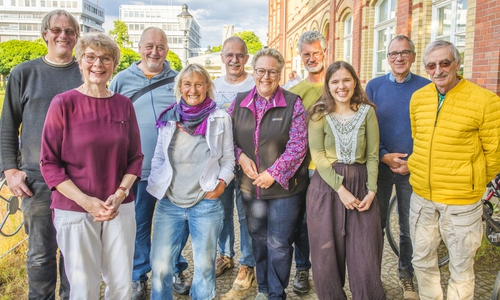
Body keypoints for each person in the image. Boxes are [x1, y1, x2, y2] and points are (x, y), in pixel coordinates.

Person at [39, 33, 143, 299]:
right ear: (80, 61)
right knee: (83, 287)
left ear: (114, 65)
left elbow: (135, 158)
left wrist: (120, 194)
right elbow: (49, 163)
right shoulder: (63, 103)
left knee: (121, 284)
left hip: (119, 206)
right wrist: (86, 201)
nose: (98, 64)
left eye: (106, 58)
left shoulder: (124, 105)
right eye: (91, 57)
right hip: (75, 208)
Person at [408, 40, 500, 300]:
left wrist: (471, 181)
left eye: (444, 63)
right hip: (423, 197)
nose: (438, 70)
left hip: (461, 202)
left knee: (461, 268)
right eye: (431, 65)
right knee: (422, 261)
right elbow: (419, 140)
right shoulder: (418, 99)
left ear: (457, 64)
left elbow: (495, 154)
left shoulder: (486, 101)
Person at [0, 9, 82, 299]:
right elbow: (8, 125)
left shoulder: (86, 71)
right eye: (56, 30)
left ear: (77, 36)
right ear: (45, 34)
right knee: (40, 254)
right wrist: (9, 169)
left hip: (79, 178)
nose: (63, 35)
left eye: (69, 31)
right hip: (36, 178)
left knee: (74, 254)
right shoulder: (25, 73)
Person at [109, 27, 190, 299]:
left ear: (167, 50)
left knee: (177, 223)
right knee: (139, 225)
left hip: (174, 170)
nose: (154, 51)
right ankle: (137, 276)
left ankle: (176, 267)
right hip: (137, 171)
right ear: (139, 47)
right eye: (149, 46)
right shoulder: (121, 80)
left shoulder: (178, 80)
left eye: (160, 46)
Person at [147, 63, 234, 300]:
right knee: (161, 265)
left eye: (198, 84)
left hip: (205, 204)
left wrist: (222, 184)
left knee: (205, 268)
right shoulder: (169, 118)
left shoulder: (220, 118)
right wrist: (159, 184)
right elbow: (157, 156)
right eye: (187, 84)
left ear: (207, 86)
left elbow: (228, 159)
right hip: (170, 204)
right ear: (180, 87)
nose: (193, 89)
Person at [229, 48, 309, 299]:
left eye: (272, 71)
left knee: (280, 244)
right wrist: (240, 157)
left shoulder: (293, 102)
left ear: (279, 73)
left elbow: (298, 145)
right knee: (258, 240)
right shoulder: (239, 102)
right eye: (261, 70)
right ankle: (263, 288)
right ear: (253, 71)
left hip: (285, 189)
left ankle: (276, 293)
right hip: (250, 187)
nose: (266, 76)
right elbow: (225, 140)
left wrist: (274, 173)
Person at [307, 61, 385, 300]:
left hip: (361, 185)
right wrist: (340, 189)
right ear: (328, 86)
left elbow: (372, 155)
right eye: (335, 81)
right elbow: (318, 156)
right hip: (326, 186)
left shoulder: (367, 112)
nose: (341, 86)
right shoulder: (319, 113)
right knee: (326, 255)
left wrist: (371, 191)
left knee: (366, 253)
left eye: (346, 80)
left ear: (354, 82)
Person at [365, 34, 430, 300]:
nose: (399, 58)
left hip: (412, 169)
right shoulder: (374, 87)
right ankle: (371, 277)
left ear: (413, 57)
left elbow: (429, 131)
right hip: (380, 168)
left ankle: (407, 276)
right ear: (387, 57)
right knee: (374, 225)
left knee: (409, 225)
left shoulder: (426, 87)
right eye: (393, 54)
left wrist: (411, 161)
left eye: (404, 53)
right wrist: (383, 156)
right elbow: (366, 128)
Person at [212, 36, 257, 296]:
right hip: (219, 161)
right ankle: (225, 255)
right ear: (222, 57)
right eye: (229, 55)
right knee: (221, 212)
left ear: (246, 58)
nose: (234, 60)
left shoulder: (254, 84)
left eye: (240, 55)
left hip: (248, 160)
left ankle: (247, 263)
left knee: (246, 213)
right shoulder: (213, 86)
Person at [287, 30, 327, 295]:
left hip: (332, 167)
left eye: (316, 53)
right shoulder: (295, 92)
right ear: (301, 58)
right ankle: (302, 269)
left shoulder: (339, 83)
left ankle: (328, 271)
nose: (312, 58)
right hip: (304, 167)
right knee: (301, 221)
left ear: (325, 52)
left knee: (328, 222)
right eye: (306, 55)